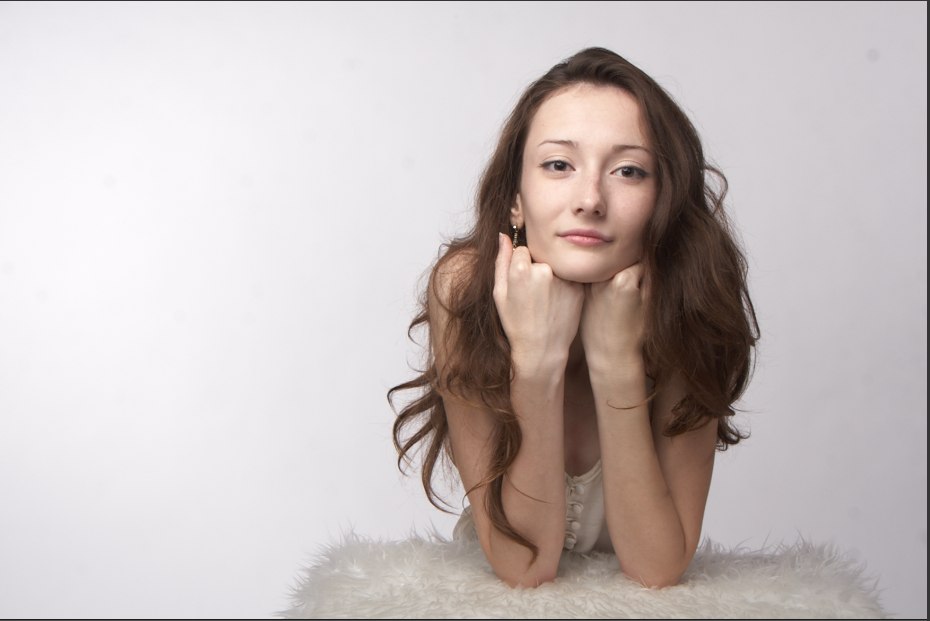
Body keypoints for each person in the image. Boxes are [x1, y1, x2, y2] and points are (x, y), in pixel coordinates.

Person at [389, 47, 759, 589]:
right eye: (559, 165)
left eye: (629, 171)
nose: (590, 200)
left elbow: (657, 567)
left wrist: (616, 362)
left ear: (663, 199)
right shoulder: (465, 291)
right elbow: (523, 567)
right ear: (516, 199)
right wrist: (537, 362)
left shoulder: (689, 298)